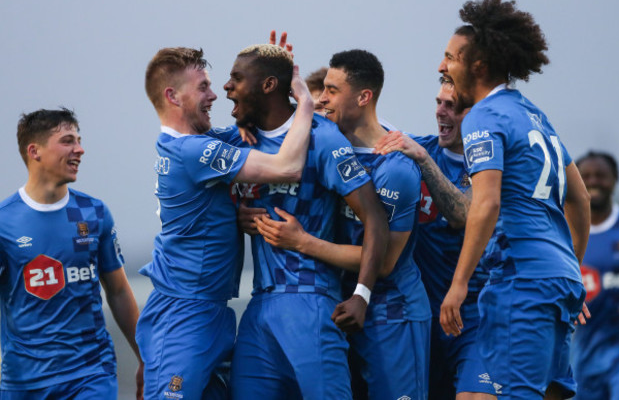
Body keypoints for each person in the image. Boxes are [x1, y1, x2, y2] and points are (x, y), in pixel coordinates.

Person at [136, 46, 314, 399]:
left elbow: (267, 128)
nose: (214, 94)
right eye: (202, 86)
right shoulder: (194, 151)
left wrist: (268, 81)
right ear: (173, 95)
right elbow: (287, 166)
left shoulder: (199, 143)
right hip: (184, 316)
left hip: (209, 313)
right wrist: (305, 102)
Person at [437, 0, 591, 400]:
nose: (442, 66)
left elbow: (486, 204)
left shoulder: (484, 117)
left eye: (451, 57)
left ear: (478, 65)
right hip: (557, 279)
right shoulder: (534, 114)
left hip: (521, 280)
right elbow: (580, 199)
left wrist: (459, 284)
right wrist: (569, 269)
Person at [254, 49, 431, 399]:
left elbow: (383, 262)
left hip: (393, 313)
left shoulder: (394, 168)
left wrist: (303, 242)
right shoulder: (330, 151)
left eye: (332, 91)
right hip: (342, 308)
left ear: (364, 97)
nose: (323, 99)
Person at [222, 44, 389, 399]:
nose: (227, 86)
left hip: (310, 301)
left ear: (267, 85)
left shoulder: (322, 137)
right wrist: (235, 217)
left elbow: (375, 217)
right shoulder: (238, 142)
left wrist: (362, 293)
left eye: (237, 78)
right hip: (259, 309)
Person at [0, 108, 143, 399]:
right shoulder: (5, 221)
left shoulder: (92, 213)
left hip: (90, 374)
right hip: (23, 382)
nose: (80, 149)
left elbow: (117, 292)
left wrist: (146, 357)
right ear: (34, 151)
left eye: (78, 139)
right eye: (67, 140)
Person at [374, 78, 493, 400]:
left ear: (478, 114)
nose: (441, 112)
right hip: (420, 317)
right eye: (439, 102)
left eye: (452, 106)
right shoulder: (414, 147)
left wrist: (424, 161)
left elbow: (465, 215)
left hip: (474, 318)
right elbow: (359, 125)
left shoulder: (491, 168)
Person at [572, 151, 619, 400]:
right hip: (581, 357)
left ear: (615, 180)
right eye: (586, 176)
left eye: (601, 176)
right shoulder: (564, 234)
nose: (594, 181)